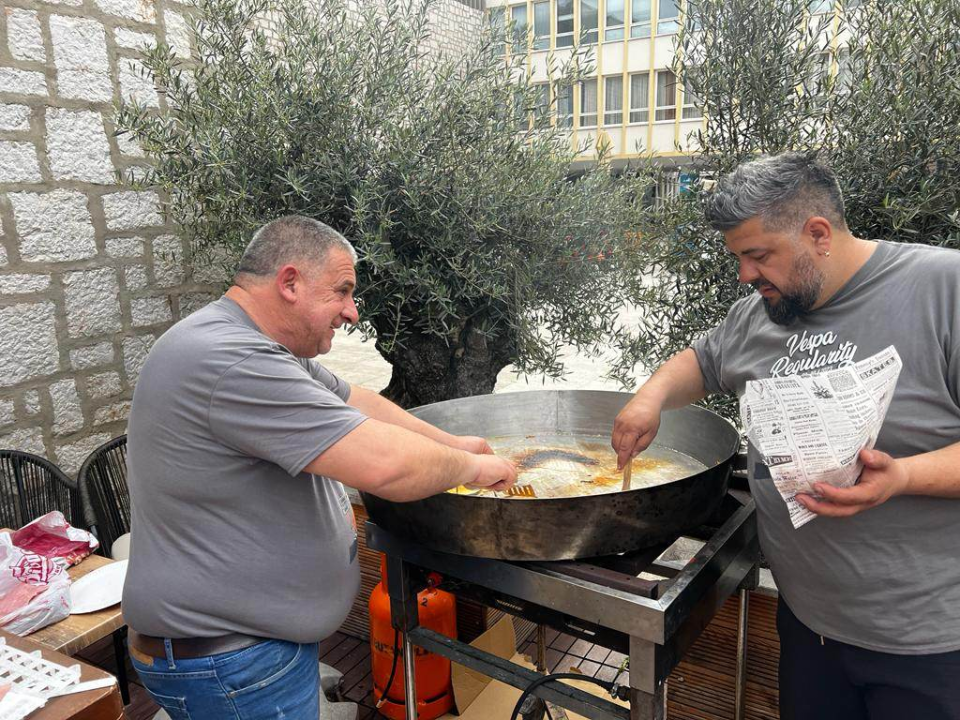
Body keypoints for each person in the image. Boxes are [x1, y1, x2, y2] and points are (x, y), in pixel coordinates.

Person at [122, 215, 517, 720]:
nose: (352, 312)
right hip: (232, 665)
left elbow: (355, 399)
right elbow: (387, 467)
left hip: (249, 651)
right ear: (289, 282)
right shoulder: (231, 358)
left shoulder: (259, 345)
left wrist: (454, 442)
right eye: (342, 291)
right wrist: (475, 469)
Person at [611, 152, 960, 720]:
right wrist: (649, 398)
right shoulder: (759, 313)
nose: (746, 275)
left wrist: (902, 476)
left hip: (931, 644)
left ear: (818, 234)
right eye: (738, 258)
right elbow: (703, 361)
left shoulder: (943, 289)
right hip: (809, 626)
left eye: (758, 255)